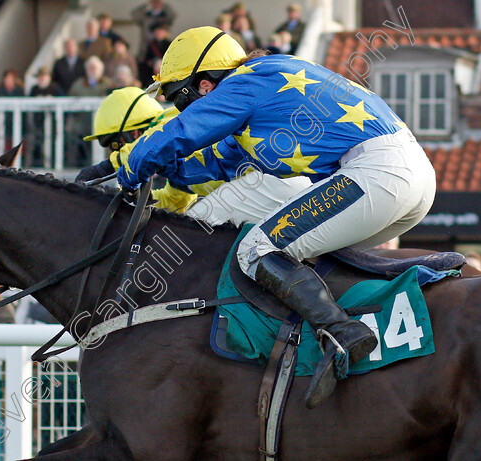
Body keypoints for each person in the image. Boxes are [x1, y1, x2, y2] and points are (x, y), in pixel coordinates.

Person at [117, 26, 436, 408]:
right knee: (292, 257)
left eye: (177, 98)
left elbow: (181, 133)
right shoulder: (263, 88)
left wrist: (130, 167)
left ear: (203, 85)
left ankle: (341, 333)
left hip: (378, 174)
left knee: (255, 249)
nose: (180, 108)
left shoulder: (247, 81)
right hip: (406, 176)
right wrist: (158, 170)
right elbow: (217, 162)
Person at [77, 87, 310, 213]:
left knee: (200, 227)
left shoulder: (170, 119)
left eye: (115, 145)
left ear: (134, 133)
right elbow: (175, 200)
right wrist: (120, 200)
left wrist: (103, 168)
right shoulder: (174, 169)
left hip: (271, 181)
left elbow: (153, 143)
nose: (113, 153)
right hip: (258, 191)